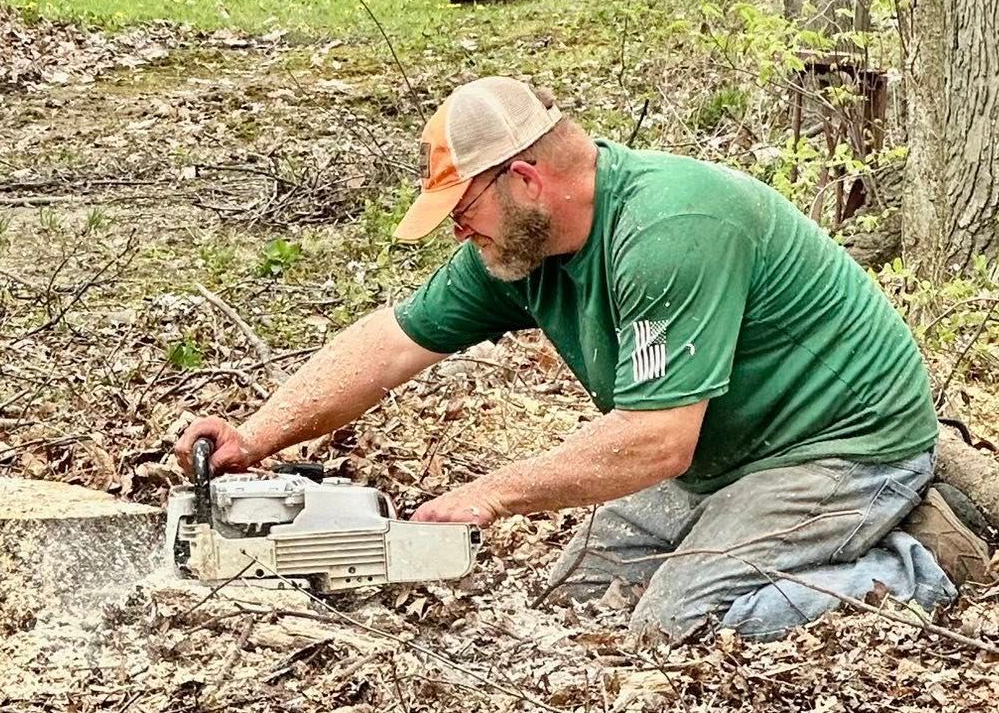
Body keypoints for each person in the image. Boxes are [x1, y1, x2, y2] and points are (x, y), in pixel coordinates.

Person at [177, 76, 958, 640]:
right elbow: (388, 344)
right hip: (727, 461)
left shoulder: (666, 228)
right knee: (572, 603)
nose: (458, 232)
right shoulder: (520, 249)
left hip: (840, 449)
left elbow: (657, 439)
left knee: (680, 622)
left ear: (525, 180)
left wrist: (494, 492)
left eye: (464, 209)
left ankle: (925, 560)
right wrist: (257, 434)